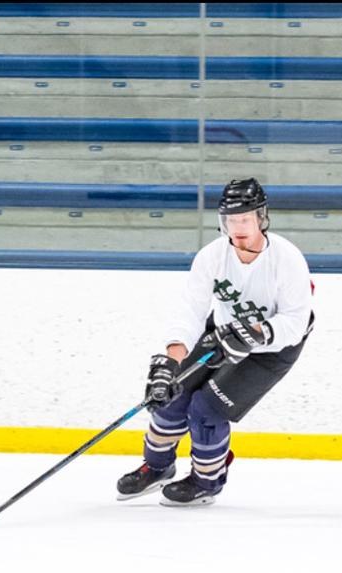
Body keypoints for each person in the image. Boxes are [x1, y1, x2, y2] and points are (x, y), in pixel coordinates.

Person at [116, 178, 314, 507]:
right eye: (230, 220)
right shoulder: (212, 256)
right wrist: (171, 362)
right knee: (172, 394)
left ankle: (207, 481)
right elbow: (190, 312)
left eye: (245, 219)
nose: (237, 227)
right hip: (222, 333)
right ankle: (157, 467)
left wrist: (255, 334)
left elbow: (295, 322)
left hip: (272, 349)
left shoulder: (287, 260)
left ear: (261, 218)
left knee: (206, 409)